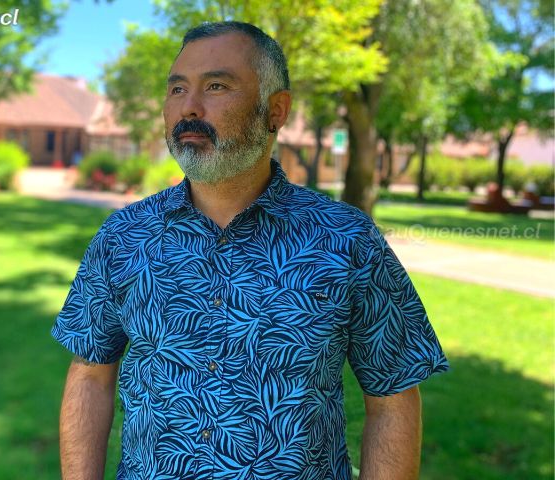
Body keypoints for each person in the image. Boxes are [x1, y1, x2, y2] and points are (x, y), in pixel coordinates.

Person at [52, 21, 449, 480]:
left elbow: (393, 397)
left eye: (216, 86)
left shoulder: (347, 239)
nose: (189, 107)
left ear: (276, 110)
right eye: (177, 89)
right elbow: (90, 374)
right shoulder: (124, 236)